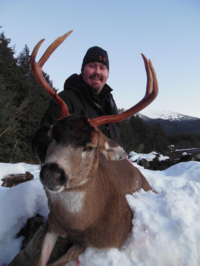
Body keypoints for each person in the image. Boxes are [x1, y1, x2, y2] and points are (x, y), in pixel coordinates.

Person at [32, 46, 122, 162]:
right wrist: (58, 162)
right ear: (82, 69)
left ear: (107, 73)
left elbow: (116, 137)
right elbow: (41, 138)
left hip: (110, 173)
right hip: (78, 176)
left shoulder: (110, 102)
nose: (97, 72)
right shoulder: (65, 99)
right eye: (92, 66)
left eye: (102, 67)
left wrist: (122, 158)